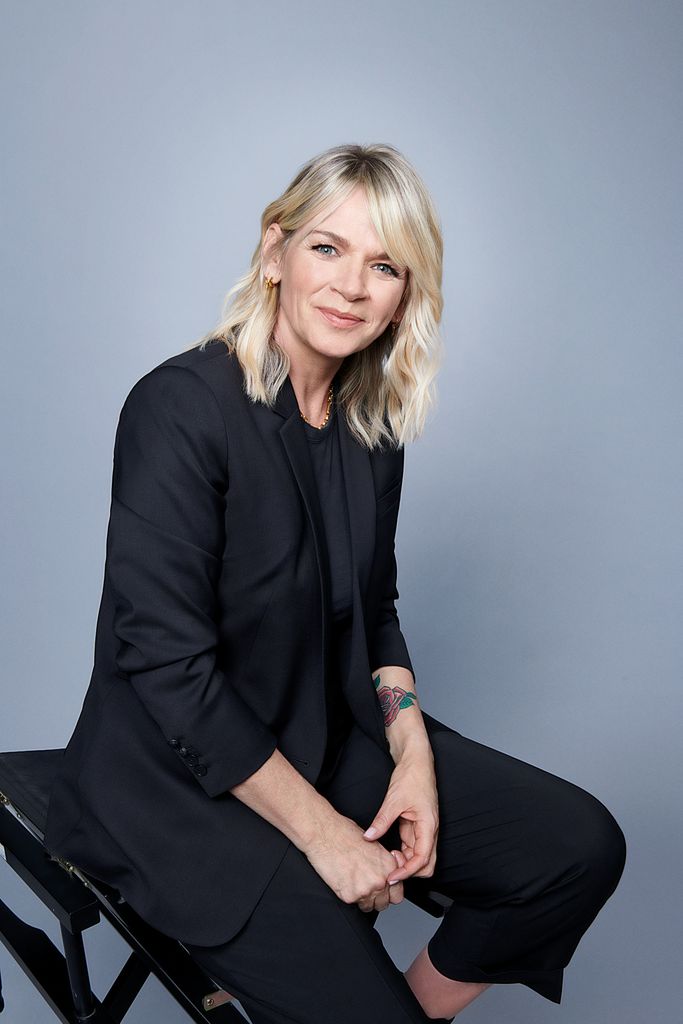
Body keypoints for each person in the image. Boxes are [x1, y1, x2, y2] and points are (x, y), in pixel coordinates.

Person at [44, 143, 626, 1023]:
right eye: (327, 248)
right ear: (274, 252)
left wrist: (413, 756)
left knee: (575, 847)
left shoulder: (370, 427)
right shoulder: (179, 408)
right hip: (173, 784)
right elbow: (168, 668)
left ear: (405, 294)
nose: (352, 285)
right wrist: (326, 840)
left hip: (320, 735)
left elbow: (376, 611)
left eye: (383, 264)